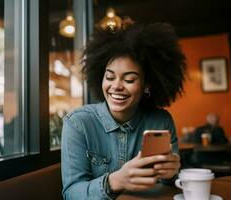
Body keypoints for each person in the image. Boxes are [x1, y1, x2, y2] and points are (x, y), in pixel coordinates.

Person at [61, 23, 186, 199]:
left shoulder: (161, 121)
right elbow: (71, 193)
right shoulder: (78, 123)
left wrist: (171, 174)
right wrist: (115, 181)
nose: (116, 86)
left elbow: (169, 185)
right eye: (110, 77)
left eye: (129, 79)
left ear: (147, 85)